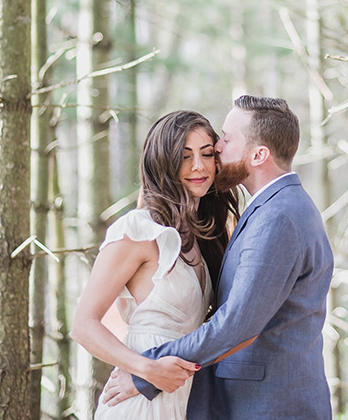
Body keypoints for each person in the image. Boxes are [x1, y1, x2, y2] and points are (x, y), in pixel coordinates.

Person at [101, 95, 334, 419]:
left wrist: (148, 371)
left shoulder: (277, 217)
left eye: (226, 138)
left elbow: (237, 325)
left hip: (271, 405)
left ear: (258, 154)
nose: (218, 148)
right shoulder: (274, 209)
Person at [71, 110, 240, 420]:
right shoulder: (137, 231)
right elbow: (84, 325)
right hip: (139, 400)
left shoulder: (206, 239)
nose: (199, 166)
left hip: (185, 397)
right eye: (185, 156)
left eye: (206, 154)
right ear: (163, 163)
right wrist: (144, 370)